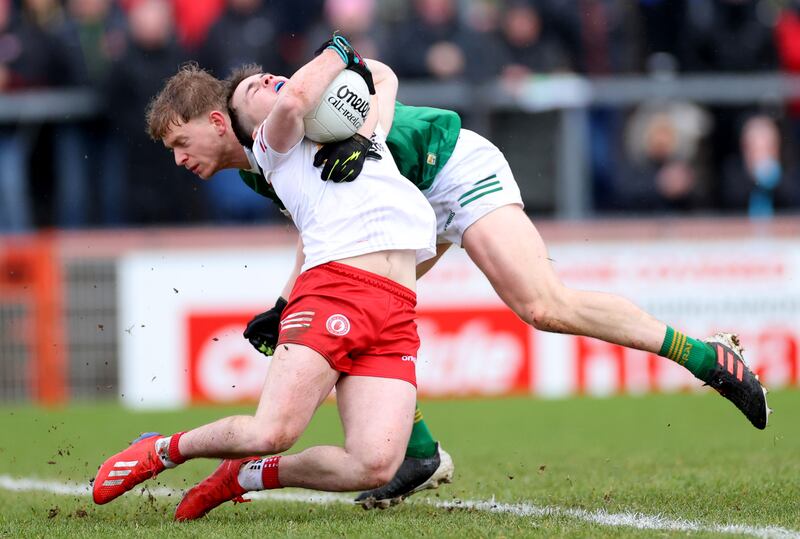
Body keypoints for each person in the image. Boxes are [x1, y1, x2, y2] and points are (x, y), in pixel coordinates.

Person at [93, 35, 441, 520]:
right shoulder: (274, 146)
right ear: (240, 121)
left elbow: (380, 76)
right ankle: (163, 449)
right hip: (338, 290)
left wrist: (363, 120)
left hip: (397, 303)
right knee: (271, 432)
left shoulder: (350, 133)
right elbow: (298, 96)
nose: (269, 81)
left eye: (269, 78)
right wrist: (340, 51)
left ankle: (244, 475)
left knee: (374, 465)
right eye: (254, 87)